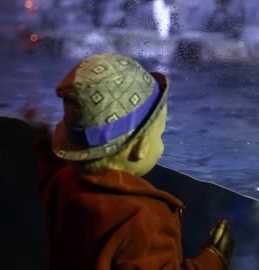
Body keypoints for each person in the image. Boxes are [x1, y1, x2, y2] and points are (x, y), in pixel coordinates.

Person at [31, 53, 234, 270]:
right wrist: (213, 259)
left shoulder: (63, 182)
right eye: (160, 134)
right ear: (140, 147)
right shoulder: (143, 217)